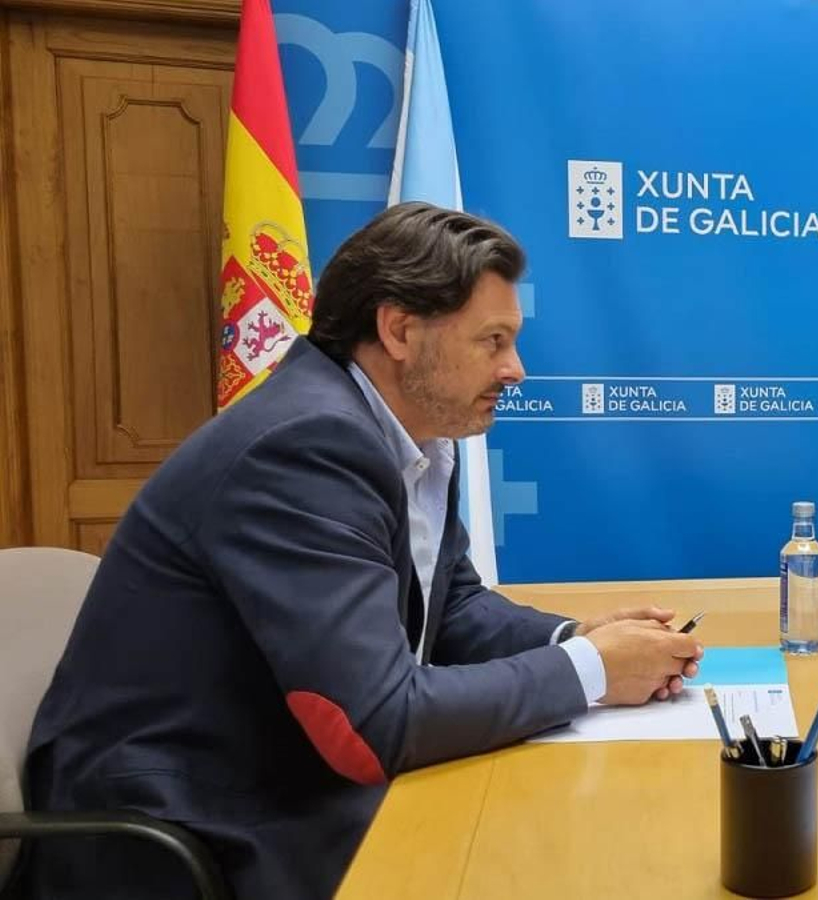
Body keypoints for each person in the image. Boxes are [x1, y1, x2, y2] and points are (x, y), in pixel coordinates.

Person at [23, 203, 704, 899]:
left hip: (282, 775)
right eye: (492, 341)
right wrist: (589, 669)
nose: (516, 370)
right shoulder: (303, 447)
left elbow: (451, 605)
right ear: (401, 329)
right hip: (190, 824)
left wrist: (578, 636)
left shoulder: (409, 430)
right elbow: (377, 721)